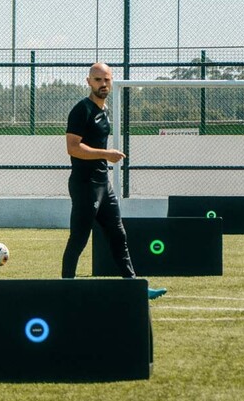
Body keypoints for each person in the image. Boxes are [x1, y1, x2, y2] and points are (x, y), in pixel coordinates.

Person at [61, 62, 167, 300]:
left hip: (103, 183)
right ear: (89, 82)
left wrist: (105, 160)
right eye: (98, 80)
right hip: (84, 183)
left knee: (118, 235)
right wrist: (106, 154)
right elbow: (73, 148)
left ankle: (134, 286)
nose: (103, 84)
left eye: (106, 80)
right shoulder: (82, 110)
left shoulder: (105, 110)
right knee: (79, 237)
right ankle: (65, 286)